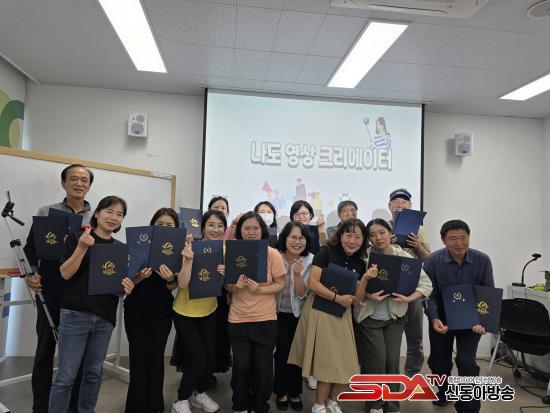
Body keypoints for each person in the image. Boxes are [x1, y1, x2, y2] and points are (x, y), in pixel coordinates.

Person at [48, 196, 134, 413]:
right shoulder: (77, 238)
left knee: (93, 373)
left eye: (119, 214)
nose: (114, 217)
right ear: (97, 213)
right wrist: (82, 248)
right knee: (66, 376)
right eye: (109, 211)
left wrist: (127, 287)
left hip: (105, 318)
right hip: (75, 315)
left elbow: (117, 287)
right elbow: (65, 273)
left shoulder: (120, 248)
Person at [23, 163, 94, 413]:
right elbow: (30, 249)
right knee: (45, 349)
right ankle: (40, 407)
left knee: (78, 354)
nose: (79, 183)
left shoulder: (95, 216)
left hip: (80, 291)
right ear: (63, 183)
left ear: (89, 186)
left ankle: (73, 407)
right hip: (51, 288)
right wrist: (31, 274)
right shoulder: (46, 212)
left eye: (84, 180)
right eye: (73, 179)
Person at [288, 218, 378, 413]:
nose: (352, 241)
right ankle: (319, 405)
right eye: (348, 235)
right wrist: (337, 298)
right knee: (327, 362)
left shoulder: (359, 262)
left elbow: (356, 299)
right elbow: (313, 284)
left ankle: (332, 401)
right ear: (340, 235)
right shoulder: (326, 252)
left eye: (357, 237)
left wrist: (365, 279)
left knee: (346, 362)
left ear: (363, 240)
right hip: (320, 311)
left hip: (342, 315)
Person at [354, 218, 432, 413]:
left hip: (394, 318)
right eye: (372, 235)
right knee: (376, 361)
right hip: (369, 316)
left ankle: (392, 405)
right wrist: (368, 294)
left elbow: (426, 284)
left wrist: (408, 298)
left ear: (390, 233)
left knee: (392, 361)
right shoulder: (363, 258)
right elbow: (354, 289)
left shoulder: (405, 257)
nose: (378, 238)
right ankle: (374, 404)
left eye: (382, 232)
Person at [424, 220, 494, 413]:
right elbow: (430, 295)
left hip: (471, 319)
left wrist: (483, 321)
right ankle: (444, 391)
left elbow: (487, 293)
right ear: (443, 240)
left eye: (463, 238)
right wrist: (434, 318)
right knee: (439, 362)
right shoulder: (432, 261)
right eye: (453, 239)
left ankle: (468, 408)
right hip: (442, 317)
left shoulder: (483, 260)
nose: (459, 243)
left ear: (469, 237)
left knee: (466, 361)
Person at [225, 211, 286, 413]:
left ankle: (260, 405)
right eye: (247, 228)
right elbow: (227, 286)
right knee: (241, 366)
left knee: (262, 367)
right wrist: (236, 287)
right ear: (240, 231)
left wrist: (260, 290)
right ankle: (240, 405)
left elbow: (280, 284)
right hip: (238, 318)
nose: (251, 232)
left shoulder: (272, 254)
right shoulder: (231, 253)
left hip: (265, 319)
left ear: (262, 231)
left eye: (255, 228)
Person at [171, 210, 227, 413]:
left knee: (210, 358)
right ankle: (180, 400)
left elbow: (223, 285)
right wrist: (188, 260)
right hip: (185, 312)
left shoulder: (223, 250)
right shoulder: (188, 246)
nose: (215, 229)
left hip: (209, 311)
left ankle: (199, 393)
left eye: (220, 226)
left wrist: (225, 274)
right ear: (202, 227)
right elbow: (182, 284)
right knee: (197, 358)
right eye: (211, 225)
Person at [124, 208, 179, 413]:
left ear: (175, 228)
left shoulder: (176, 249)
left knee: (156, 356)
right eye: (160, 224)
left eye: (169, 225)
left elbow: (173, 286)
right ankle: (136, 407)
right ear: (152, 225)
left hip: (161, 310)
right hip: (135, 307)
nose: (164, 227)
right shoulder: (138, 244)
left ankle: (155, 405)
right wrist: (140, 276)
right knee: (138, 356)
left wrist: (170, 278)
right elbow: (127, 281)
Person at [387, 188, 431, 377]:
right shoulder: (383, 227)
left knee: (415, 338)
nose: (400, 204)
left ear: (411, 206)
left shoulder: (419, 229)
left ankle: (412, 375)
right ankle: (390, 377)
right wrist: (386, 244)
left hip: (413, 289)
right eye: (396, 201)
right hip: (388, 287)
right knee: (390, 339)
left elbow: (428, 260)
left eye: (404, 201)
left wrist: (418, 246)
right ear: (389, 206)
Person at [274, 222, 314, 411]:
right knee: (282, 352)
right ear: (285, 238)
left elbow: (301, 294)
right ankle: (281, 391)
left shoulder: (311, 260)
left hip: (299, 314)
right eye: (293, 237)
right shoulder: (275, 256)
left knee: (297, 353)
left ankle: (295, 392)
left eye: (301, 238)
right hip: (277, 313)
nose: (297, 242)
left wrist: (297, 275)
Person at [288, 200, 327, 390]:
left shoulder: (318, 235)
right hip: (292, 294)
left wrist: (321, 230)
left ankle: (311, 372)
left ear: (311, 215)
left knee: (312, 338)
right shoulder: (287, 236)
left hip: (313, 292)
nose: (302, 216)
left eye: (305, 213)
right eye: (298, 213)